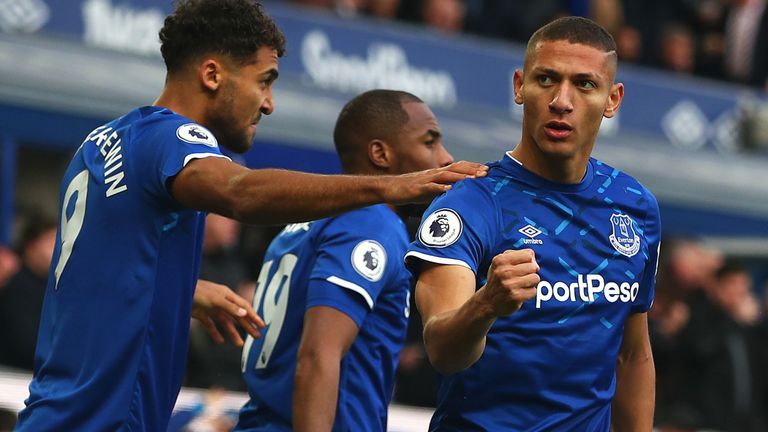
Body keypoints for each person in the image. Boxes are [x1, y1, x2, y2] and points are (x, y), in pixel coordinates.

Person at [14, 1, 486, 430]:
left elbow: (92, 265)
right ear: (213, 75)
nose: (269, 103)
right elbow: (241, 192)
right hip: (107, 420)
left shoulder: (101, 143)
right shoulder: (174, 140)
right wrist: (394, 186)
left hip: (55, 411)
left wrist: (183, 289)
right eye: (264, 80)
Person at [404, 16, 661, 431]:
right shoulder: (470, 203)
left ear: (612, 99)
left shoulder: (635, 206)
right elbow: (441, 350)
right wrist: (487, 304)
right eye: (546, 80)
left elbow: (632, 355)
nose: (562, 100)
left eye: (584, 84)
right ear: (520, 86)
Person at [235, 89, 454, 432]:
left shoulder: (303, 225)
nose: (445, 158)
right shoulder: (369, 222)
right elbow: (318, 357)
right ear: (380, 154)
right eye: (430, 143)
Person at [0, 216, 56, 371]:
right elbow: (27, 345)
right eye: (52, 241)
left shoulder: (51, 287)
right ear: (32, 246)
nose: (60, 249)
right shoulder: (17, 287)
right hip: (15, 380)